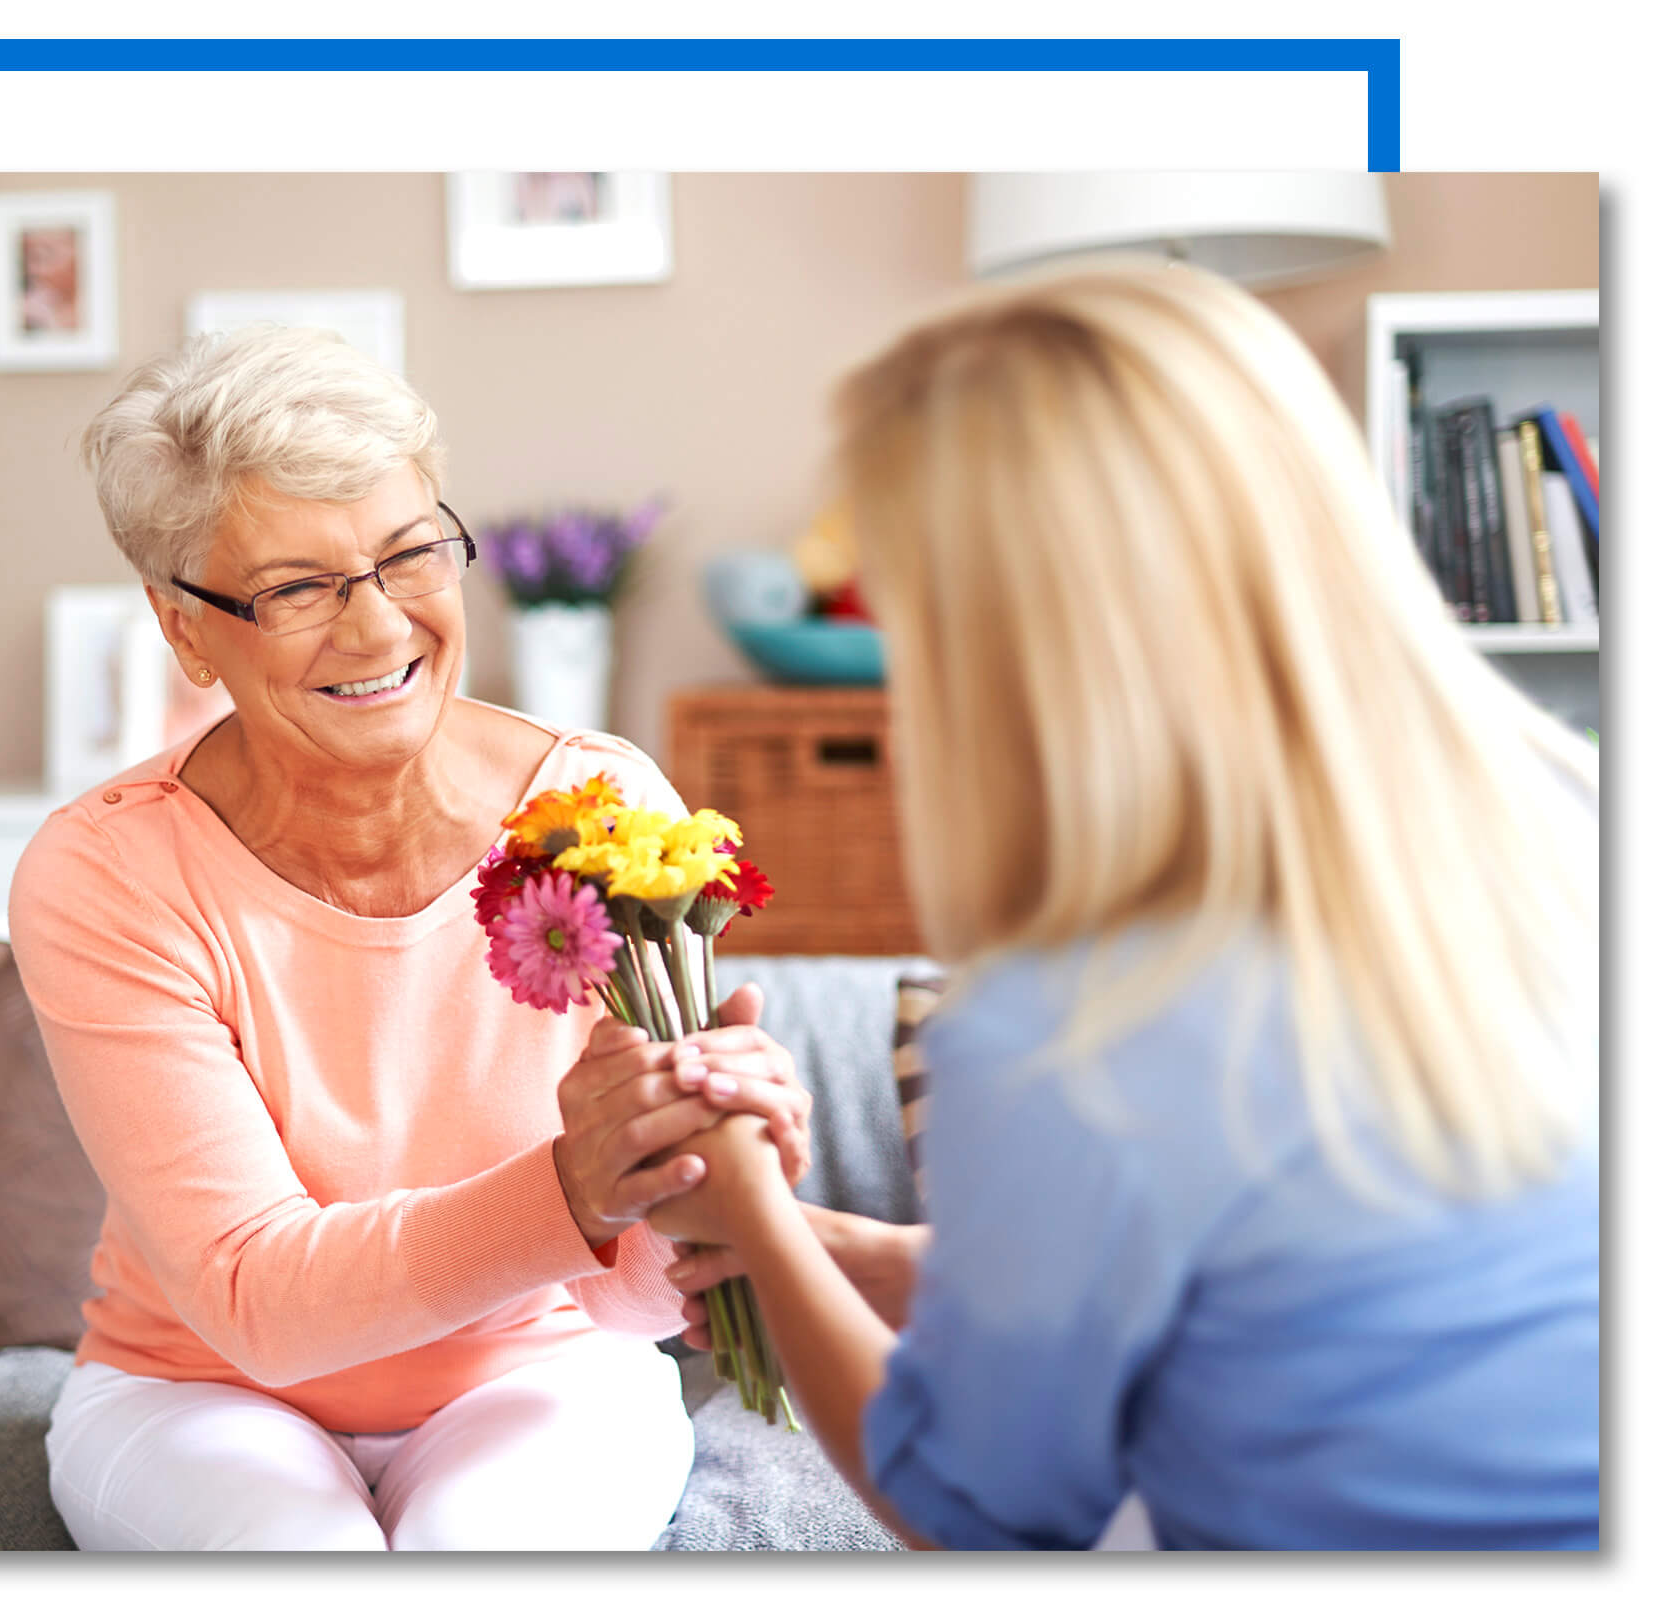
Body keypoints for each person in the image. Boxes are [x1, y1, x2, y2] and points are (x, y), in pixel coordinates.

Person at [649, 257, 1599, 1551]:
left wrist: (756, 1208)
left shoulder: (1071, 1033)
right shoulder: (1568, 832)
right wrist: (845, 1254)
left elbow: (976, 1506)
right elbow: (1286, 1294)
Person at [7, 324, 814, 1551]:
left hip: (535, 1371)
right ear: (185, 627)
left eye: (408, 555)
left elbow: (638, 1295)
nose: (379, 628)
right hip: (199, 1389)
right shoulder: (106, 871)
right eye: (294, 589)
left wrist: (705, 1165)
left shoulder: (595, 812)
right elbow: (253, 1300)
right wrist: (570, 1184)